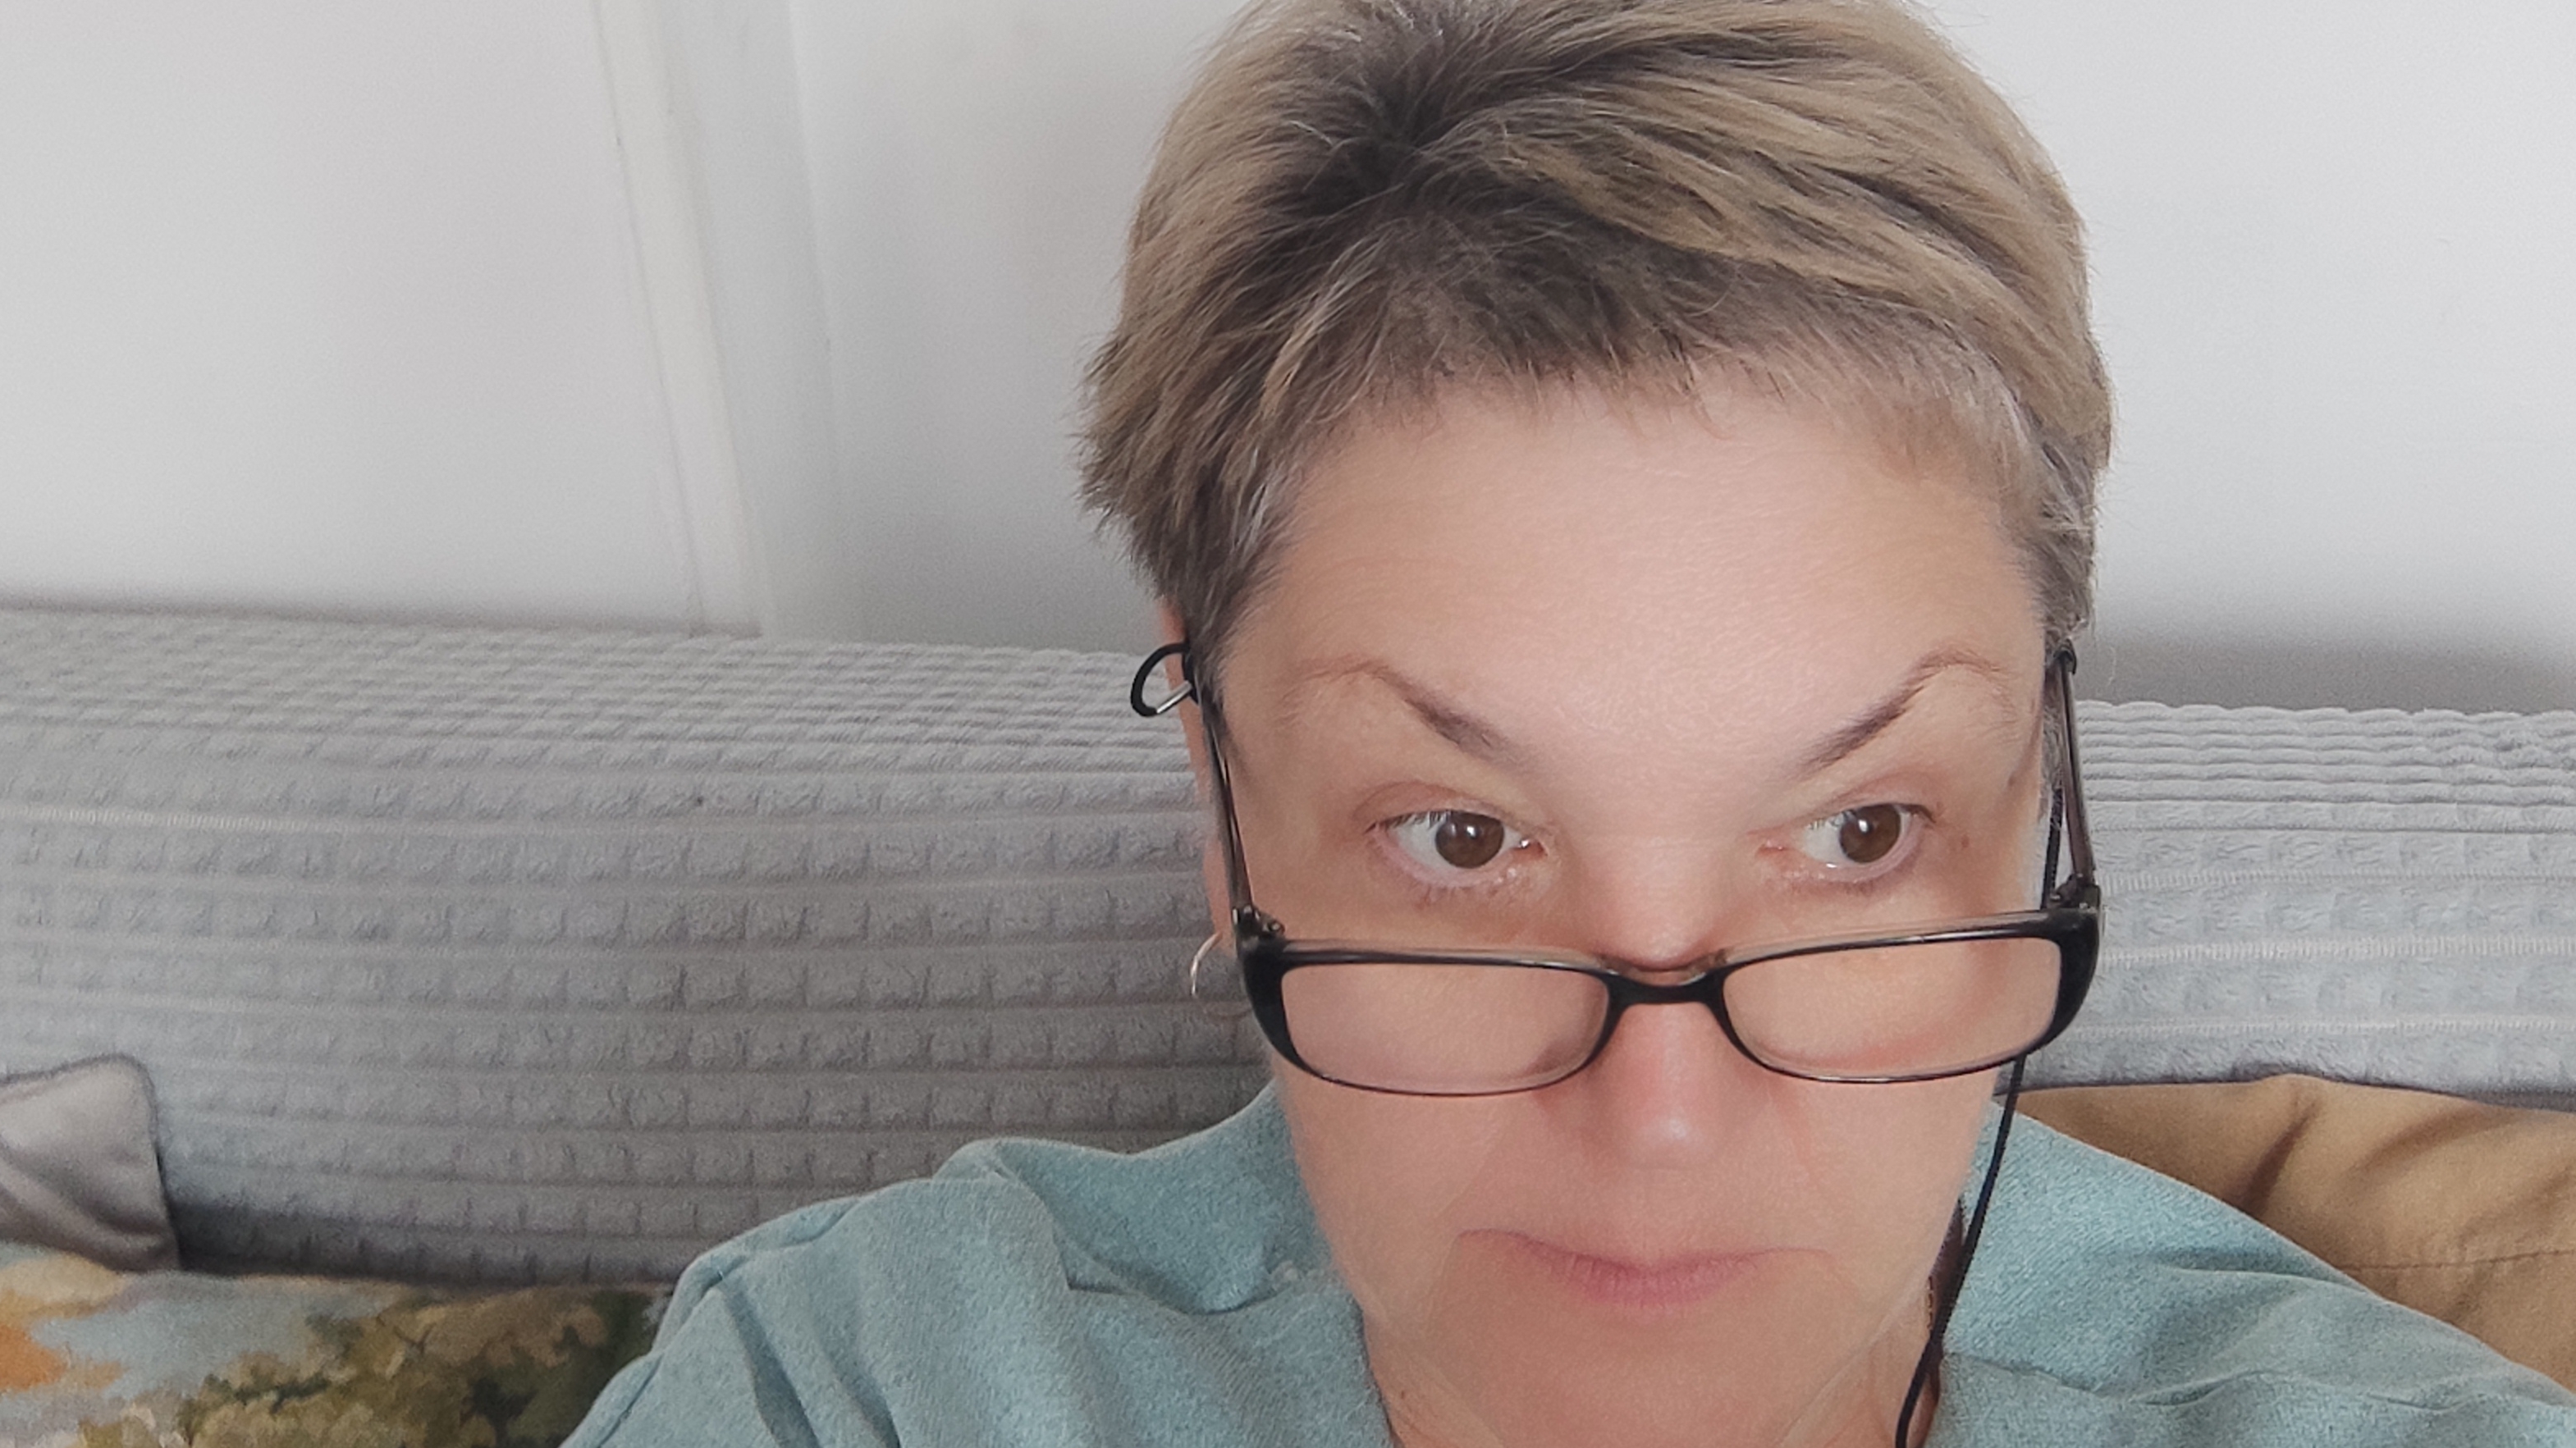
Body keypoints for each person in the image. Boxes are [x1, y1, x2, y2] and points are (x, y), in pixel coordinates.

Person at [566, 1, 2576, 1444]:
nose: (1664, 1120)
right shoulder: (854, 1390)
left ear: (2036, 794)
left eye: (1859, 832)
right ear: (1222, 792)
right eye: (1463, 837)